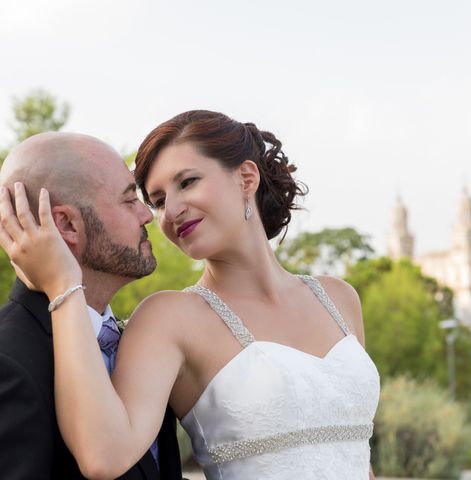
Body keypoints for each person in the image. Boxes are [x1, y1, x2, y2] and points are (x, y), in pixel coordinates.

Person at [0, 110, 380, 479]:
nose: (170, 213)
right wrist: (63, 283)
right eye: (158, 200)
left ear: (246, 178)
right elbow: (103, 455)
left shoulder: (339, 297)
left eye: (188, 182)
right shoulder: (167, 318)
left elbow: (356, 453)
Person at [0, 132, 183, 480]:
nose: (147, 215)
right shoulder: (8, 363)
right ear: (67, 224)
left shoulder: (140, 345)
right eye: (129, 200)